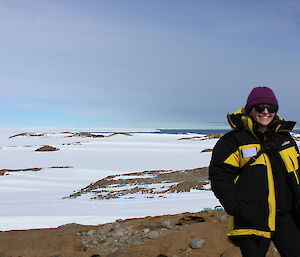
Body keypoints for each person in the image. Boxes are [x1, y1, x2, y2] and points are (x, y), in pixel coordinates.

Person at [209, 87, 300, 257]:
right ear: (250, 109)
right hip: (252, 219)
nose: (265, 112)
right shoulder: (232, 141)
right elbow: (219, 177)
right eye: (260, 107)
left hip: (286, 218)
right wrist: (237, 208)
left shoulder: (285, 138)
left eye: (271, 108)